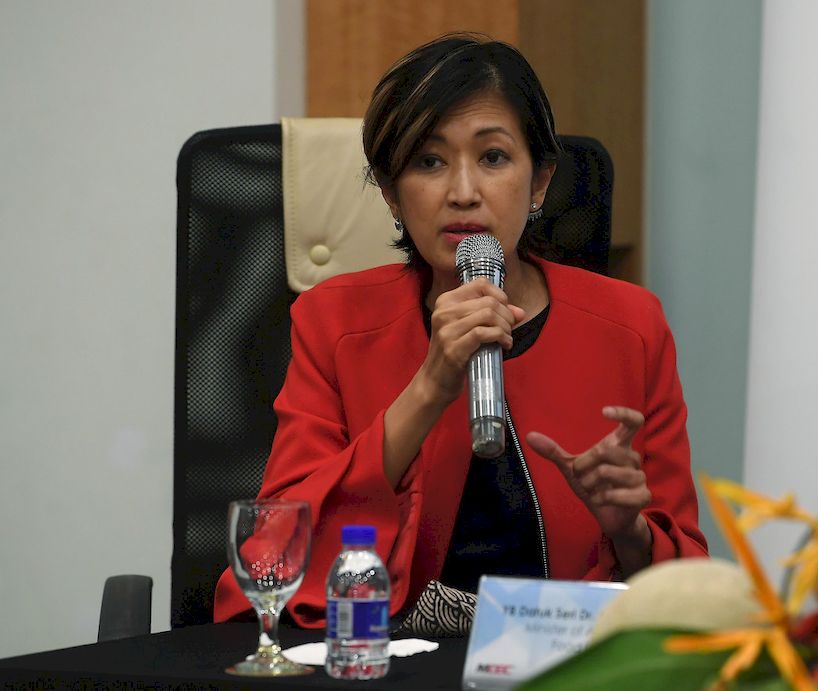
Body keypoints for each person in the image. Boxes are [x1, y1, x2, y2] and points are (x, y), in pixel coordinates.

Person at [215, 33, 708, 627]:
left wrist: (627, 529)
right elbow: (274, 555)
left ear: (541, 181)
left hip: (560, 656)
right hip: (391, 653)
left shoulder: (630, 327)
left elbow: (686, 592)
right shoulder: (334, 322)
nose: (464, 192)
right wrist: (430, 385)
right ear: (393, 194)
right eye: (429, 161)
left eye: (494, 157)